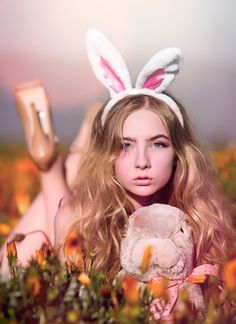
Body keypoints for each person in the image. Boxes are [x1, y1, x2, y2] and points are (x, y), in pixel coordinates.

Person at [0, 29, 234, 285]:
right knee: (23, 258)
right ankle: (57, 164)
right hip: (75, 223)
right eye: (125, 146)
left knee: (30, 247)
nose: (141, 161)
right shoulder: (78, 217)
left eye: (157, 144)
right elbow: (72, 297)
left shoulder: (203, 222)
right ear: (107, 156)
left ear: (178, 152)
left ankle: (56, 161)